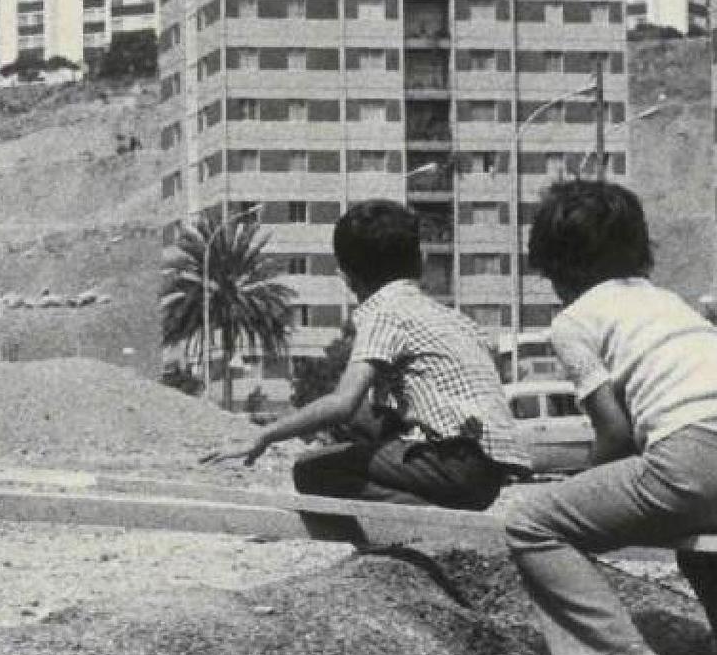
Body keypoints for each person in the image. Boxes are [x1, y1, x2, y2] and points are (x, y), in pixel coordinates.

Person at [505, 179, 717, 655]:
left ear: (555, 265)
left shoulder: (573, 322)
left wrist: (581, 491)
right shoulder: (670, 303)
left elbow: (615, 434)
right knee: (710, 548)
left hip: (691, 461)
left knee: (532, 524)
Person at [201, 199, 527, 513]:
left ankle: (431, 522)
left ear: (346, 277)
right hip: (488, 474)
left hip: (453, 467)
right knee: (365, 418)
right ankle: (429, 508)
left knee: (313, 471)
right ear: (421, 261)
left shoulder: (384, 311)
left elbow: (343, 403)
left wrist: (266, 435)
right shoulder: (454, 318)